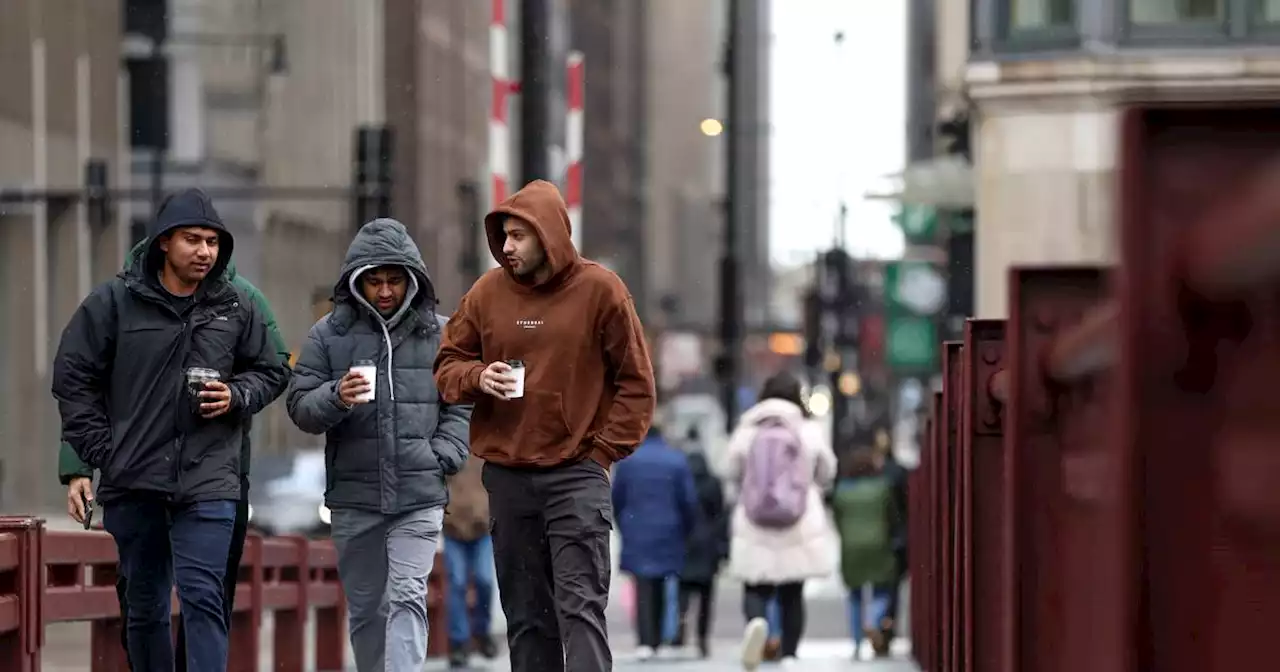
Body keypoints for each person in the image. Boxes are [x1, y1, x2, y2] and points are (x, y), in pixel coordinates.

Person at [52, 188, 291, 672]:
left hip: (210, 479)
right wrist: (96, 452)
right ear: (163, 242)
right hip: (134, 478)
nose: (205, 252)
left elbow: (274, 369)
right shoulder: (114, 302)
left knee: (204, 597)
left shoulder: (240, 302)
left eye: (212, 241)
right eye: (192, 240)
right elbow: (75, 377)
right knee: (144, 605)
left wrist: (237, 395)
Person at [434, 179, 657, 672]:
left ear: (549, 235)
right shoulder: (487, 293)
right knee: (527, 618)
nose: (507, 248)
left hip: (576, 475)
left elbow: (636, 384)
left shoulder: (601, 291)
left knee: (580, 609)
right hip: (508, 476)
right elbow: (446, 366)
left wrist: (601, 454)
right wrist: (477, 375)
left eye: (519, 236)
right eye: (504, 237)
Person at [286, 218, 471, 672]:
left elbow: (461, 402)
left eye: (394, 280)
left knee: (409, 595)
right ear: (357, 281)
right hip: (355, 496)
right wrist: (336, 396)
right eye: (374, 280)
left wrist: (443, 454)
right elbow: (299, 406)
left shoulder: (442, 334)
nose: (385, 290)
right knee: (369, 609)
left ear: (412, 280)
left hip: (419, 491)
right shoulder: (328, 335)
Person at [724, 372, 838, 669]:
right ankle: (789, 652)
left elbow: (731, 469)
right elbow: (827, 470)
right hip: (798, 521)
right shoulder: (808, 430)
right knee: (792, 591)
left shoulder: (748, 429)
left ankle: (757, 626)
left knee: (755, 586)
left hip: (754, 520)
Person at [612, 424, 699, 661]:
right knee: (662, 581)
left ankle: (645, 640)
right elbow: (688, 500)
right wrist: (686, 528)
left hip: (636, 527)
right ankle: (659, 637)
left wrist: (624, 525)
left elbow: (616, 498)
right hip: (669, 527)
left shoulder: (628, 462)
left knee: (642, 584)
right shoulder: (676, 460)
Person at [832, 446, 901, 659]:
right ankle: (872, 619)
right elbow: (893, 517)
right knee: (882, 590)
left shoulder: (842, 491)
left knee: (854, 595)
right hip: (879, 543)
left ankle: (856, 642)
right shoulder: (882, 488)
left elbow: (837, 519)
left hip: (851, 546)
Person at [442, 454, 499, 668]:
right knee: (456, 583)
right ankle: (458, 642)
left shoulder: (485, 449)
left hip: (482, 529)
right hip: (452, 529)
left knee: (485, 579)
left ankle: (482, 631)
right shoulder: (449, 448)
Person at [675, 447, 729, 659]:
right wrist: (723, 547)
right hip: (708, 546)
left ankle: (681, 626)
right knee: (706, 597)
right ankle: (702, 638)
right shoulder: (713, 483)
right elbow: (721, 515)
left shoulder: (682, 482)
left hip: (685, 544)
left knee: (682, 592)